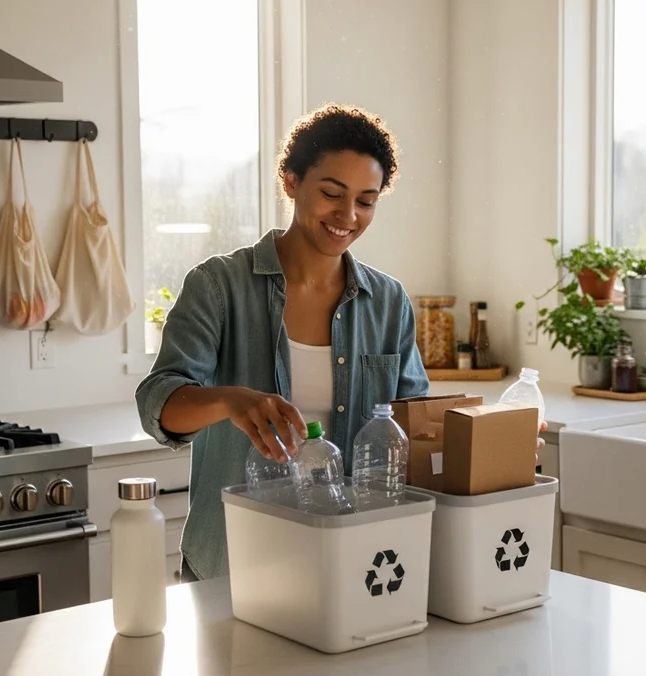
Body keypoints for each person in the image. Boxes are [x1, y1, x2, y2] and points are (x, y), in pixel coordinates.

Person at [136, 104, 542, 582]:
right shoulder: (219, 286)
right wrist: (229, 400)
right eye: (332, 193)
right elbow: (157, 404)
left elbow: (415, 430)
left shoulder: (388, 301)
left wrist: (490, 447)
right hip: (234, 565)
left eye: (366, 201)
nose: (348, 215)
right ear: (290, 182)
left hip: (358, 564)